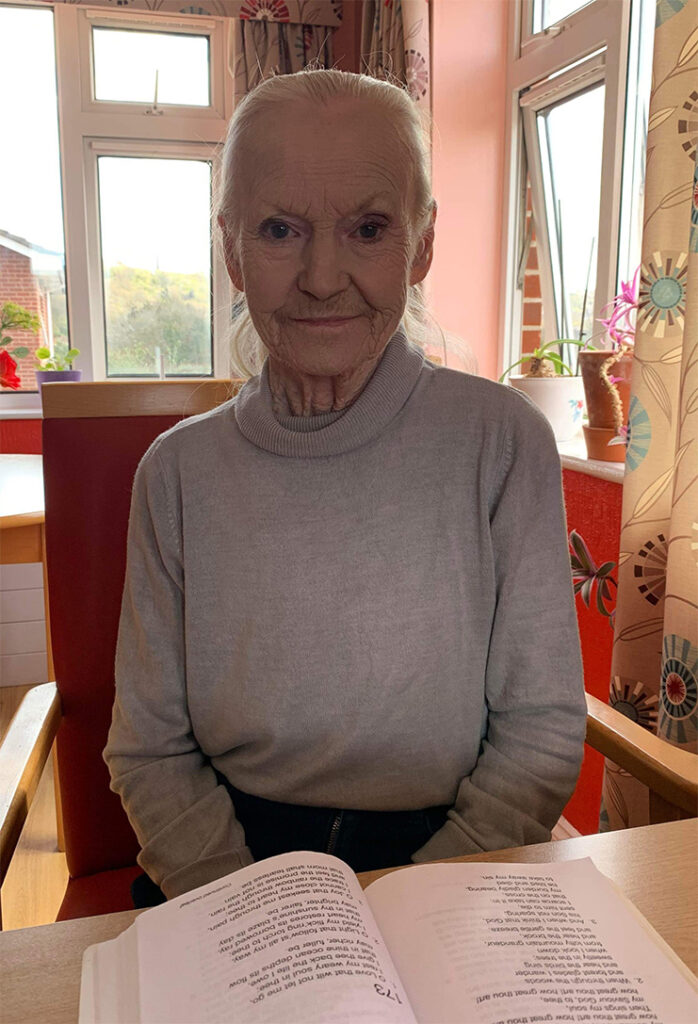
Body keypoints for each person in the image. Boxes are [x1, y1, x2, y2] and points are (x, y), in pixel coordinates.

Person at [103, 68, 586, 906]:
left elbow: (539, 732)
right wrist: (246, 906)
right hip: (229, 858)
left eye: (368, 228)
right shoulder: (176, 474)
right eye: (279, 229)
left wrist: (428, 896)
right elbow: (149, 750)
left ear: (421, 244)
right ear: (231, 251)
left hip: (457, 851)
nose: (323, 277)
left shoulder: (504, 443)